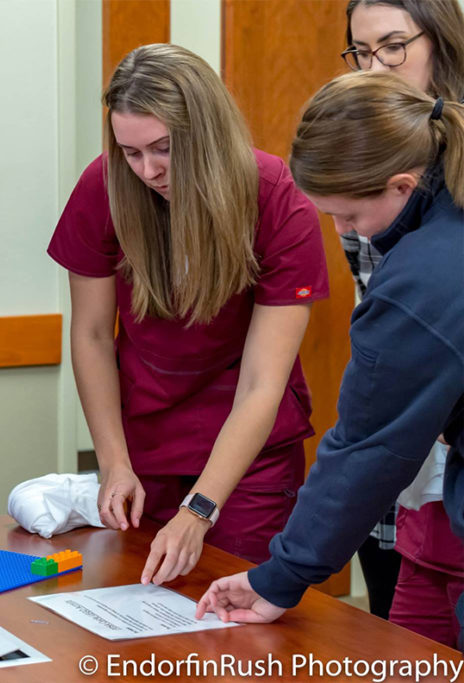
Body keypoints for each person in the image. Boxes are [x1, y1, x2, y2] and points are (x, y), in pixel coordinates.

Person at [196, 72, 464, 651]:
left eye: (349, 216)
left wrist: (282, 576)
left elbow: (367, 448)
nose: (343, 232)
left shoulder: (421, 282)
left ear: (402, 185)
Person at [48, 43, 328, 584]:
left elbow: (262, 383)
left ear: (207, 133)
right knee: (141, 607)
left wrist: (200, 509)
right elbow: (92, 336)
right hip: (144, 442)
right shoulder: (104, 186)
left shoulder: (275, 198)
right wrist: (113, 462)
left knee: (236, 611)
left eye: (164, 149)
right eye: (131, 153)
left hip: (247, 456)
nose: (148, 171)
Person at [339, 0, 464, 627]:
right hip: (404, 458)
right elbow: (375, 307)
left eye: (393, 46)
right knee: (398, 631)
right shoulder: (361, 153)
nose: (375, 68)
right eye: (361, 52)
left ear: (442, 41)